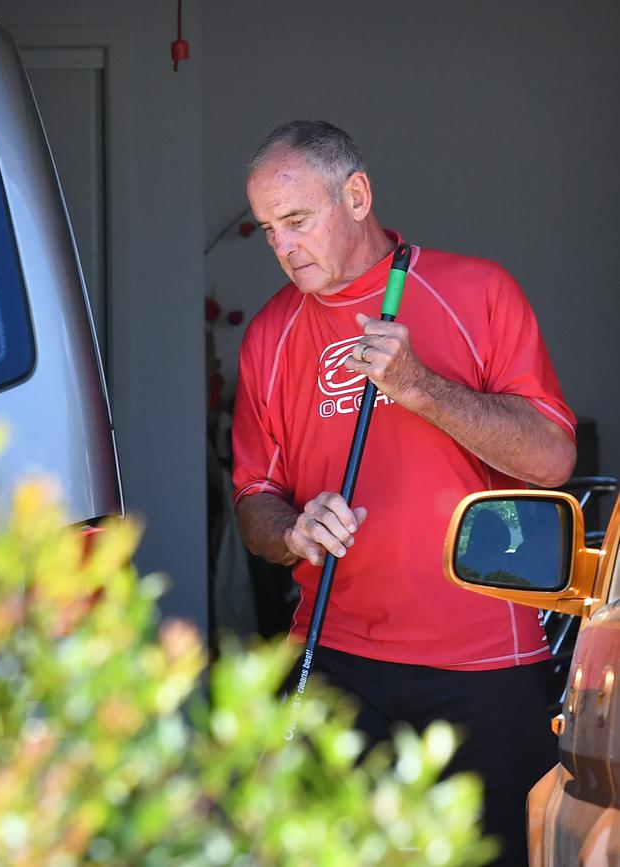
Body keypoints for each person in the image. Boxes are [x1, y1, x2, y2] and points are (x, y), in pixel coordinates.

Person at [232, 120, 576, 866]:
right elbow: (254, 496)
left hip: (485, 659)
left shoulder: (475, 291)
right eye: (266, 231)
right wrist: (292, 529)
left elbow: (552, 458)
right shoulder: (270, 334)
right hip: (335, 650)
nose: (284, 247)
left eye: (297, 221)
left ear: (356, 196)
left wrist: (420, 387)